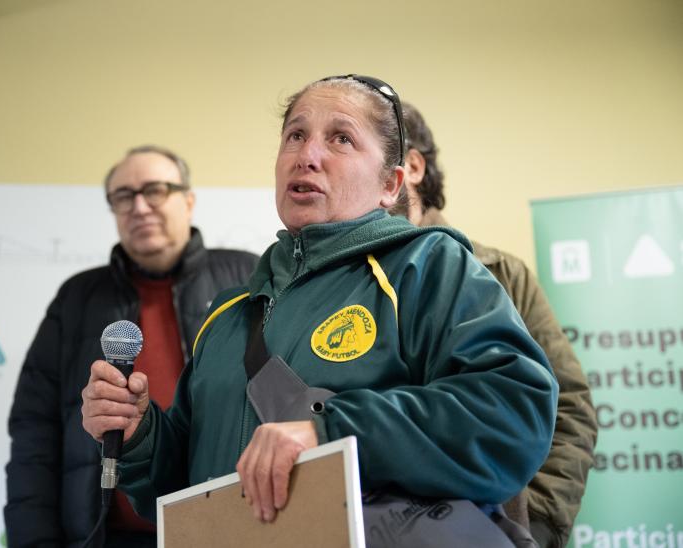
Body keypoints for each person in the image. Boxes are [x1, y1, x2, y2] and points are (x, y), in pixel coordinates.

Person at [81, 76, 558, 540]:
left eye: (341, 138)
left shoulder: (428, 266)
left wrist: (331, 429)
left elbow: (512, 414)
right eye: (295, 135)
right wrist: (140, 434)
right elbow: (188, 490)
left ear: (390, 185)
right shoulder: (227, 313)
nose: (307, 156)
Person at [4, 145, 258, 548]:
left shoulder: (246, 279)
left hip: (223, 529)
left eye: (156, 190)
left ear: (188, 201)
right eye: (124, 196)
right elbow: (35, 432)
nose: (139, 207)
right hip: (106, 533)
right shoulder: (77, 299)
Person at [390, 101, 597, 547]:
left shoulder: (500, 273)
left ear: (412, 166)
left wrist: (534, 523)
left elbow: (569, 407)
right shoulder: (348, 283)